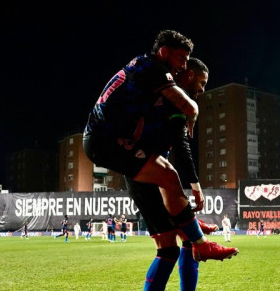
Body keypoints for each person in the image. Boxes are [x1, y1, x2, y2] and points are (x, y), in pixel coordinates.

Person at [83, 30, 235, 261]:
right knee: (169, 178)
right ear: (164, 53)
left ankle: (191, 226)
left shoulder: (144, 69)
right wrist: (191, 117)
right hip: (104, 141)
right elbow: (190, 108)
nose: (183, 66)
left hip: (110, 140)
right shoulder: (154, 69)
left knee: (170, 240)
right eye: (181, 59)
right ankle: (201, 243)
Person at [124, 58, 234, 291]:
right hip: (143, 174)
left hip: (150, 172)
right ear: (186, 75)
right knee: (169, 248)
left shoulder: (166, 99)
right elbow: (181, 148)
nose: (201, 90)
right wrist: (195, 185)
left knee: (185, 241)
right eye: (201, 83)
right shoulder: (175, 103)